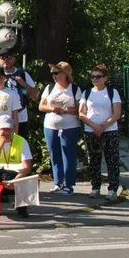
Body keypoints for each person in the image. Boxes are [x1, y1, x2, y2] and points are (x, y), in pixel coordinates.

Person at [79, 65, 123, 200]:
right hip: (91, 131)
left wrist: (103, 127)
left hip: (109, 130)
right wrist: (94, 126)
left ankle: (113, 189)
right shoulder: (87, 93)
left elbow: (117, 113)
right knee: (93, 161)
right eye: (93, 76)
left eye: (98, 76)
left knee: (112, 160)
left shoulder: (112, 92)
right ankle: (95, 188)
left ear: (105, 78)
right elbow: (81, 113)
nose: (95, 79)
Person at [39, 61, 83, 195]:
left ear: (65, 74)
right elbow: (41, 106)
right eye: (52, 73)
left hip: (70, 126)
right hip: (50, 126)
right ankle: (58, 183)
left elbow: (80, 109)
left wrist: (66, 110)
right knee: (54, 154)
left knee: (68, 154)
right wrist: (53, 108)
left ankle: (69, 185)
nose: (54, 76)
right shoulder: (50, 87)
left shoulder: (74, 89)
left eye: (56, 73)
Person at [0, 49, 38, 137]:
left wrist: (23, 83)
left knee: (18, 144)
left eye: (9, 57)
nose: (6, 60)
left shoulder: (22, 74)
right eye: (2, 57)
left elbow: (35, 96)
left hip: (20, 118)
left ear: (14, 59)